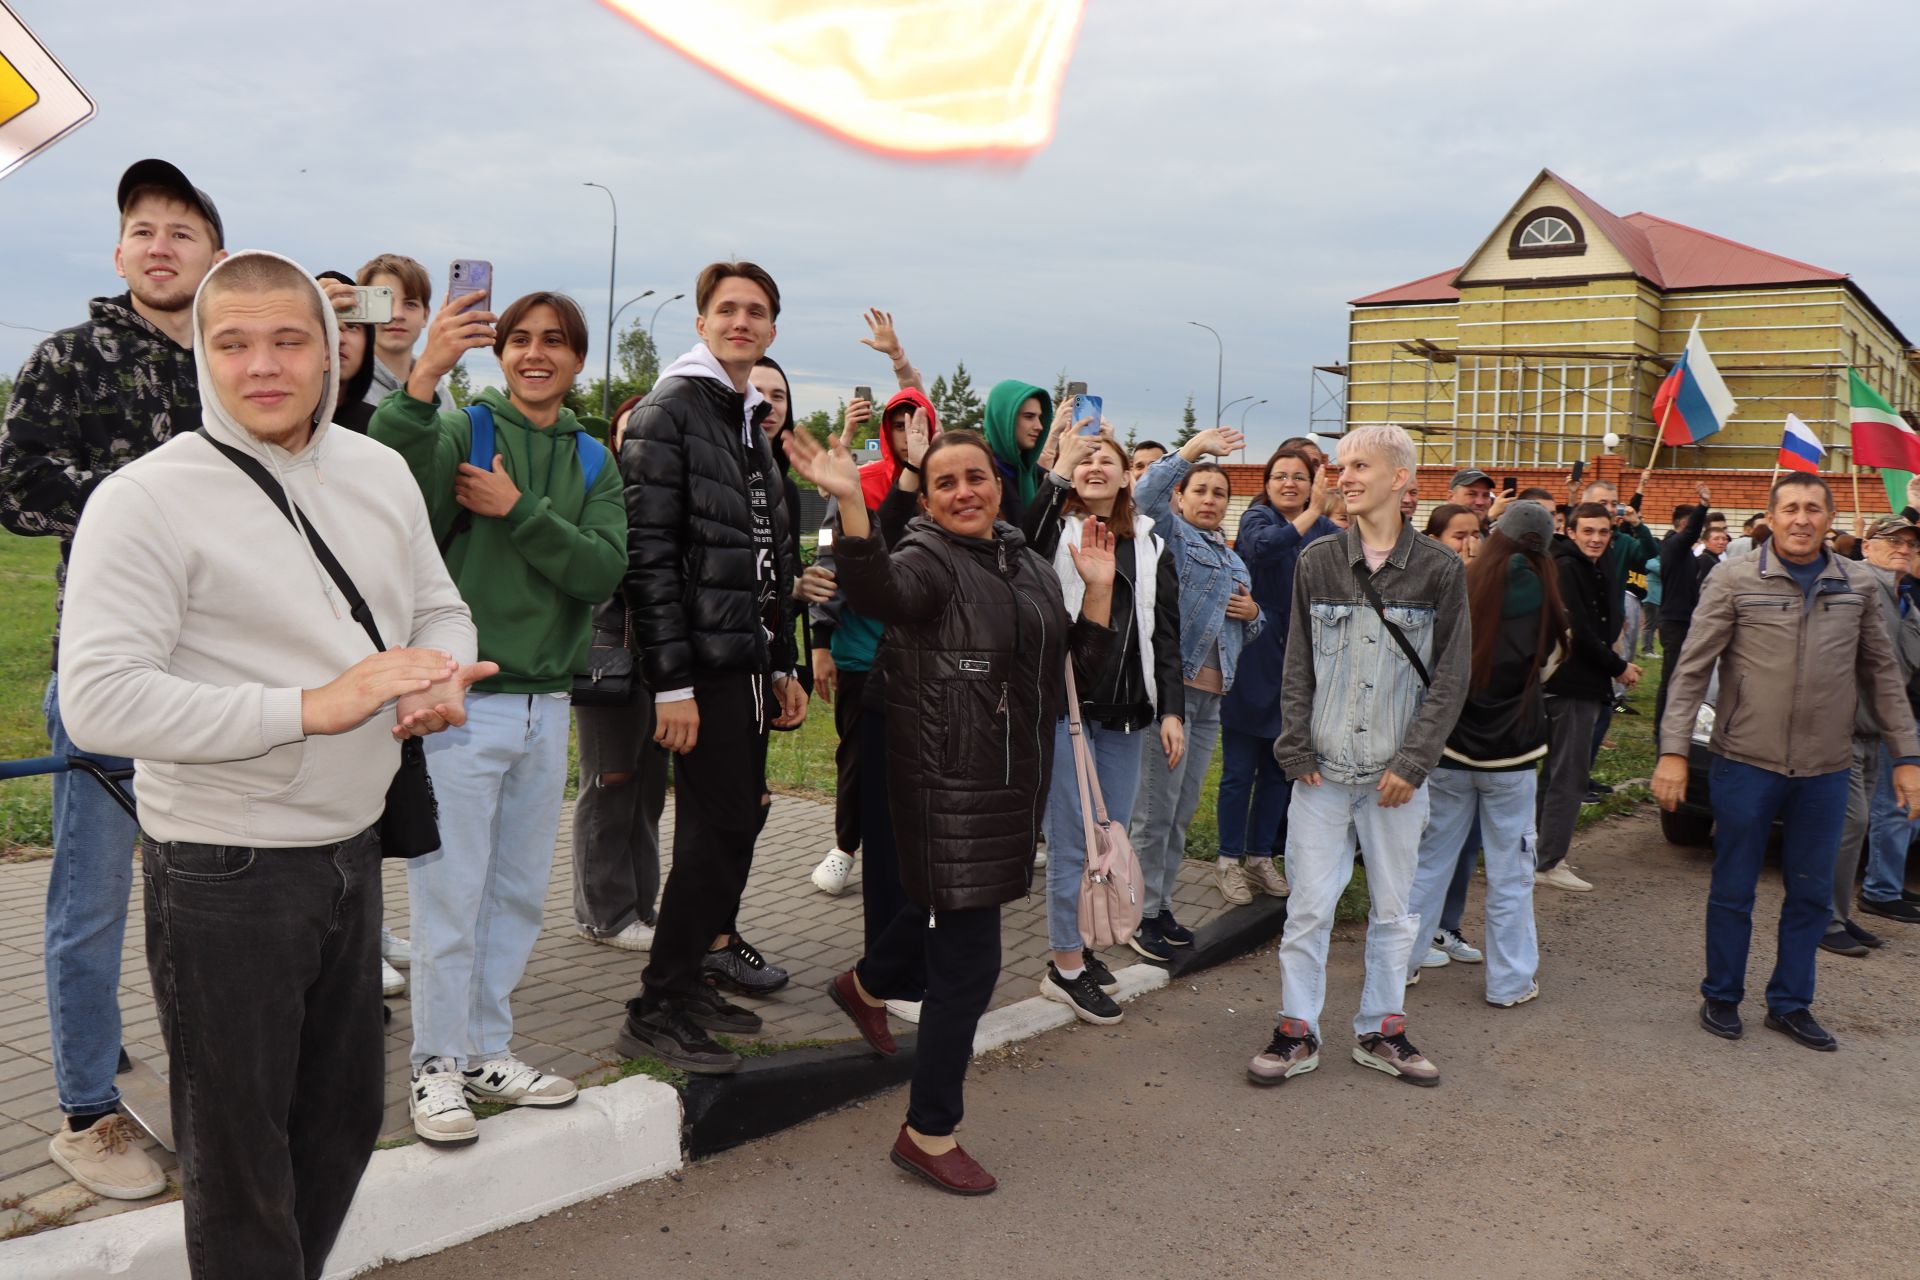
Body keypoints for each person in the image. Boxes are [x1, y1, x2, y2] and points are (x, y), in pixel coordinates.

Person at [57, 250, 488, 1276]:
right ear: (202, 354)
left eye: (289, 339)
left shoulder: (377, 467)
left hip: (353, 846)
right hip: (223, 867)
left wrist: (440, 671)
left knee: (341, 1123)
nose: (264, 364)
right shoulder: (145, 498)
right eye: (233, 341)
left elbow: (433, 598)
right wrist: (310, 707)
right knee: (241, 1160)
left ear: (334, 348)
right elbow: (100, 699)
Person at [788, 426, 1115, 1195]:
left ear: (999, 486)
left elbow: (1077, 676)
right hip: (944, 783)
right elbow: (877, 591)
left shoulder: (1029, 564)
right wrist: (849, 508)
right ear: (929, 500)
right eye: (947, 483)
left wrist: (1096, 586)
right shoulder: (926, 560)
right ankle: (927, 1132)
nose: (965, 491)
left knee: (939, 907)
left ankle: (864, 986)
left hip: (1010, 785)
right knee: (969, 964)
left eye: (977, 477)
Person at [0, 158, 225, 1203]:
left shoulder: (233, 362)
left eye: (182, 229)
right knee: (87, 900)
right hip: (103, 670)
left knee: (206, 892)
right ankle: (87, 1109)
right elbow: (17, 486)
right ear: (120, 250)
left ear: (213, 253)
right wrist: (135, 502)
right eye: (143, 228)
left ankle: (208, 1075)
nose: (161, 244)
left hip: (222, 677)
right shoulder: (68, 357)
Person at [371, 288, 627, 1144]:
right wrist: (424, 375)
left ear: (578, 359)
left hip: (546, 705)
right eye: (519, 339)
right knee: (450, 897)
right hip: (462, 705)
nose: (536, 353)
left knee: (515, 896)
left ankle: (486, 1049)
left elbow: (599, 572)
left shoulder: (593, 458)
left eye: (555, 341)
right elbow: (389, 480)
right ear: (500, 352)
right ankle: (434, 1067)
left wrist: (517, 510)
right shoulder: (461, 432)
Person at [613, 262, 807, 1075]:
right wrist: (675, 684)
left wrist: (784, 661)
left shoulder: (745, 420)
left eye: (756, 312)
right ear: (702, 321)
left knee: (733, 830)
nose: (741, 321)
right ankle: (655, 1005)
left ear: (770, 329)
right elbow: (649, 558)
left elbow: (765, 556)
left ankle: (690, 980)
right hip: (702, 673)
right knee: (707, 838)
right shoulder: (670, 411)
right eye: (726, 309)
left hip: (748, 666)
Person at [1655, 475, 1920, 1052]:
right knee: (1734, 889)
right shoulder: (1734, 578)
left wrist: (1907, 755)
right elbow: (1692, 670)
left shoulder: (1856, 585)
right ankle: (1722, 995)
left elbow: (1883, 675)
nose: (1802, 519)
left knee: (1810, 894)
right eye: (1791, 508)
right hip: (1746, 764)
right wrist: (1674, 750)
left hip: (1826, 770)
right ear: (1771, 519)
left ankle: (1791, 1004)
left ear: (1830, 521)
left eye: (1813, 509)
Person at [1249, 423, 1470, 1089]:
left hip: (1394, 780)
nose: (1342, 476)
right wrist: (1294, 745)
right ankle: (1297, 1028)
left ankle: (1381, 1029)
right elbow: (1298, 664)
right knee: (1308, 907)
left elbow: (1452, 676)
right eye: (1339, 465)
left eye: (1358, 466)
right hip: (1320, 773)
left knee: (1395, 911)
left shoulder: (1440, 569)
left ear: (1401, 479)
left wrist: (1413, 761)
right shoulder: (1315, 562)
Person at [1022, 417, 1182, 984]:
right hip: (1067, 708)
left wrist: (1171, 711)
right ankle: (1065, 963)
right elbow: (1022, 539)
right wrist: (1060, 460)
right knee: (1071, 837)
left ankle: (1083, 943)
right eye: (1084, 459)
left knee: (1109, 835)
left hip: (1127, 714)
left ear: (1126, 477)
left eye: (1106, 459)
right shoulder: (1053, 533)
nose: (1095, 466)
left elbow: (1165, 634)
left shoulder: (1151, 542)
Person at [1403, 503, 1566, 1007]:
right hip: (1513, 755)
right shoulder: (1548, 597)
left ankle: (1398, 966)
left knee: (1429, 862)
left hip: (1451, 748)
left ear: (1497, 535)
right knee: (1510, 873)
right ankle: (1510, 983)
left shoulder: (1462, 583)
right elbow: (1550, 668)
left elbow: (1433, 664)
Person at [809, 387, 941, 930]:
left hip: (922, 659)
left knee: (919, 769)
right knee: (858, 757)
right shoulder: (859, 484)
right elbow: (828, 556)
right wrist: (820, 641)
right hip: (861, 653)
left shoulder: (944, 486)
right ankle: (844, 845)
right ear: (884, 432)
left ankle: (916, 870)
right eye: (896, 425)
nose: (907, 435)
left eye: (918, 425)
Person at [1130, 427, 1262, 954]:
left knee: (1181, 813)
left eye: (1219, 493)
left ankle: (1160, 907)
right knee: (1154, 812)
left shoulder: (1232, 559)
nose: (1210, 500)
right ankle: (1137, 915)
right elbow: (1142, 497)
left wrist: (1256, 615)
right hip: (1172, 699)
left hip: (1211, 702)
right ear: (1181, 497)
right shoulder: (1169, 537)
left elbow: (1241, 628)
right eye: (1199, 490)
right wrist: (1191, 451)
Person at [1216, 444, 1338, 904]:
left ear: (1312, 484)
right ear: (1266, 484)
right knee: (1238, 772)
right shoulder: (1257, 521)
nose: (1290, 483)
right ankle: (1227, 859)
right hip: (1255, 659)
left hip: (1302, 664)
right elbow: (1263, 549)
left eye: (1300, 477)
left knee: (1277, 772)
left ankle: (1260, 856)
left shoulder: (1327, 531)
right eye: (1281, 476)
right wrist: (1312, 512)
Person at [570, 395, 669, 953]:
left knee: (648, 791)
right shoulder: (598, 494)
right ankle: (602, 914)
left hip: (659, 666)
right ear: (612, 441)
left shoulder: (666, 496)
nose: (637, 446)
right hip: (607, 660)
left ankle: (640, 906)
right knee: (609, 783)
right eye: (627, 434)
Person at [1821, 520, 1920, 956]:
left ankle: (1839, 913)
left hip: (1876, 732)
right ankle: (1823, 919)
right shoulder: (1856, 581)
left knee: (1855, 828)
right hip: (1842, 728)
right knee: (1848, 825)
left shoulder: (1906, 601)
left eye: (1910, 543)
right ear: (1867, 546)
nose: (1903, 548)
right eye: (1892, 541)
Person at [1534, 503, 1642, 892]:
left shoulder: (1592, 565)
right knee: (1568, 775)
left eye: (1603, 532)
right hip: (1571, 683)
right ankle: (1548, 861)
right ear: (1572, 532)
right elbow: (1578, 630)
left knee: (1557, 774)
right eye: (1588, 532)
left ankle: (1537, 853)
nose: (1596, 539)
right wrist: (1619, 666)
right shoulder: (1566, 567)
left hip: (1580, 682)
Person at [1418, 502, 1487, 967]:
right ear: (1435, 540)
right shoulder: (1424, 586)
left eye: (1475, 534)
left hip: (1477, 731)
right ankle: (1413, 936)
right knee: (1430, 838)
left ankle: (1446, 926)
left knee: (1466, 841)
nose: (1469, 544)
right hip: (1430, 733)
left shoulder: (1487, 587)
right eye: (1458, 535)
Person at [357, 252, 449, 409]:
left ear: (425, 315)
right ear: (362, 310)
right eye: (384, 303)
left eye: (410, 304)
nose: (397, 314)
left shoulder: (442, 396)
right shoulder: (343, 387)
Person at [1654, 488, 1712, 727]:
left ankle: (1672, 722)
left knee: (1679, 676)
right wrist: (1703, 506)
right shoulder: (1673, 546)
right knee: (1671, 678)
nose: (1698, 533)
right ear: (1685, 524)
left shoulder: (1683, 551)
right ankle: (1662, 727)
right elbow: (1690, 534)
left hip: (1682, 619)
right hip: (1675, 621)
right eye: (1695, 526)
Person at [981, 378, 1051, 526]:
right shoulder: (981, 474)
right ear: (1004, 418)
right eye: (1029, 417)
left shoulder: (1035, 475)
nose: (1039, 426)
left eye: (1039, 417)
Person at [315, 270, 378, 433]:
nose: (339, 338)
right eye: (327, 324)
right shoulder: (266, 416)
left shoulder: (380, 429)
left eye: (351, 326)